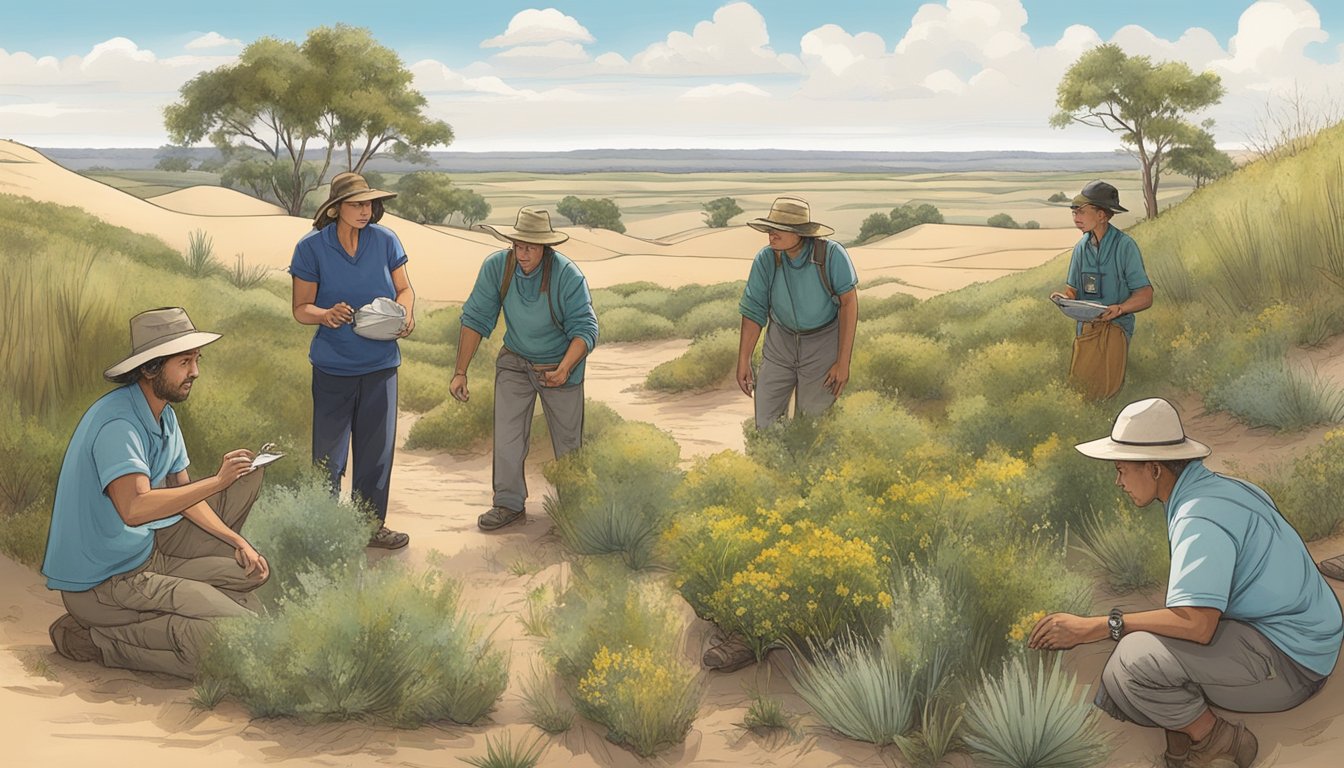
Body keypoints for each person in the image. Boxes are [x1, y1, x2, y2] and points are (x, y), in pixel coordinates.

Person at [1030, 398, 1341, 768]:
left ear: (1156, 468)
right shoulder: (1223, 490)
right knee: (1153, 643)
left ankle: (1218, 740)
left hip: (1292, 664)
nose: (1118, 482)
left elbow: (1197, 624)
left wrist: (1098, 626)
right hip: (1307, 638)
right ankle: (1182, 741)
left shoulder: (1199, 516)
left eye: (1122, 470)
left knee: (1129, 665)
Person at [41, 307, 271, 679]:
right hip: (105, 583)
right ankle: (95, 639)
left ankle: (157, 626)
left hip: (145, 558)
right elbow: (134, 508)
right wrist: (218, 481)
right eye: (184, 362)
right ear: (150, 368)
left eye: (196, 360)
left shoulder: (163, 414)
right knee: (227, 636)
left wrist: (237, 541)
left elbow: (184, 492)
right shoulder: (118, 424)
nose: (195, 372)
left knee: (250, 577)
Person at [451, 206, 598, 531]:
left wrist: (564, 368)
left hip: (560, 364)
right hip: (515, 360)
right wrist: (460, 371)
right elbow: (475, 318)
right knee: (507, 437)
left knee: (568, 443)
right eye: (518, 245)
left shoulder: (567, 275)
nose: (523, 252)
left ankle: (574, 511)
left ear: (546, 247)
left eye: (530, 246)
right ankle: (508, 503)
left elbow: (586, 329)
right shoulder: (497, 268)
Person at [290, 171, 415, 549]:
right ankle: (326, 532)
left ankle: (369, 528)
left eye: (369, 204)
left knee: (376, 455)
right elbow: (300, 308)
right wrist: (325, 314)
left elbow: (404, 288)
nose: (366, 211)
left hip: (381, 365)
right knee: (329, 456)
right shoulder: (311, 248)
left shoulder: (386, 240)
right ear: (335, 209)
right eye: (357, 204)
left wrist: (407, 315)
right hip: (333, 367)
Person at [736, 196, 858, 430]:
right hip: (779, 342)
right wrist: (744, 360)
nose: (773, 234)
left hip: (822, 344)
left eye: (781, 229)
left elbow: (849, 304)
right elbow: (753, 310)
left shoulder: (831, 255)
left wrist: (843, 362)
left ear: (801, 232)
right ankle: (770, 463)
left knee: (813, 420)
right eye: (771, 228)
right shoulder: (765, 259)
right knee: (766, 417)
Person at [1049, 180, 1153, 398]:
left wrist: (1120, 309)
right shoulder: (1080, 248)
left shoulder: (1125, 246)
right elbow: (1072, 291)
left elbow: (1145, 296)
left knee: (1107, 390)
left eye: (1082, 211)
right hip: (1086, 327)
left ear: (1102, 215)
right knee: (1079, 389)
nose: (1076, 217)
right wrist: (1064, 298)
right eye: (1074, 212)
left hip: (1116, 326)